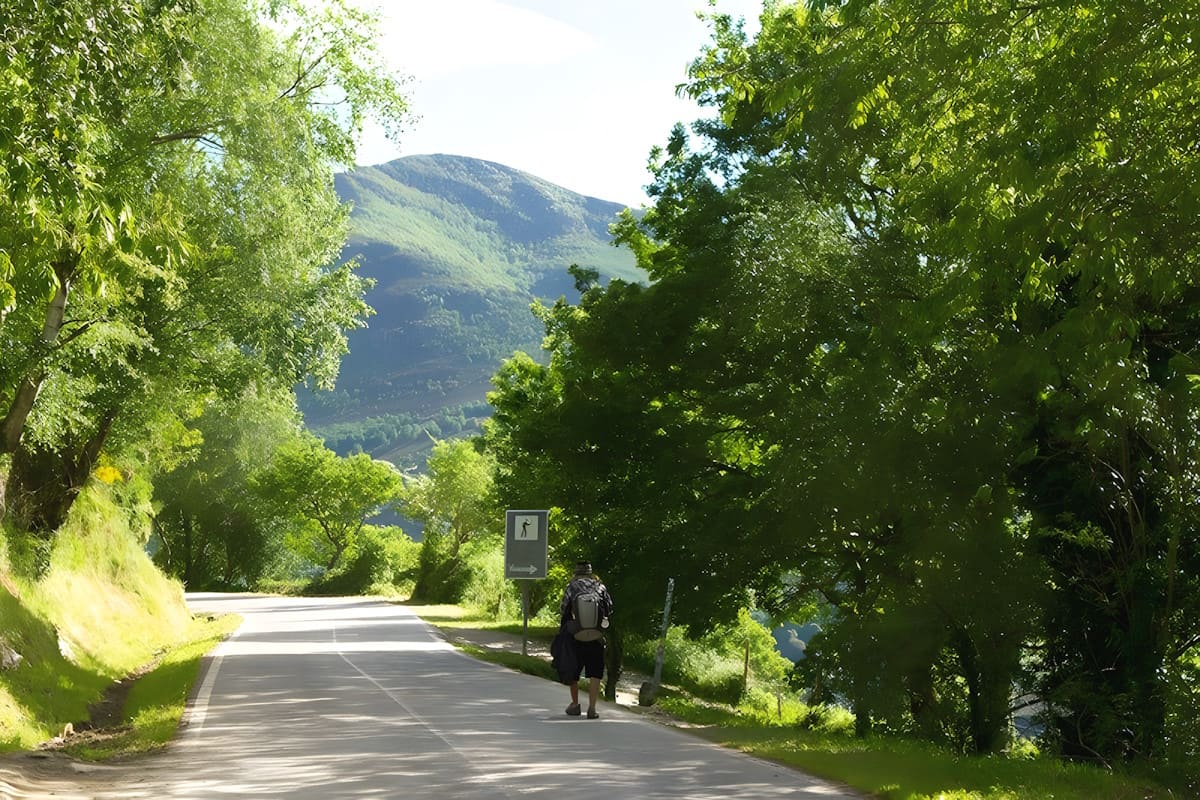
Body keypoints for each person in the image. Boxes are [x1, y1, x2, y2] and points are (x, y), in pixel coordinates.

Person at [559, 560, 613, 719]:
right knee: (595, 671)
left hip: (577, 634)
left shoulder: (572, 587)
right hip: (596, 635)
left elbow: (563, 609)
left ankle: (575, 704)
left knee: (574, 670)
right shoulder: (600, 587)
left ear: (576, 573)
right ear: (590, 573)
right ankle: (592, 708)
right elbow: (609, 607)